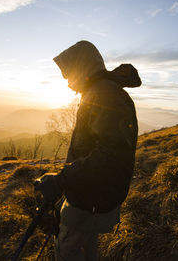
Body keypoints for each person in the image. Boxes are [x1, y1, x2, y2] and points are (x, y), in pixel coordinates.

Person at [36, 40, 141, 261]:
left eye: (68, 75)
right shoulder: (100, 92)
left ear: (82, 69)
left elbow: (110, 154)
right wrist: (65, 180)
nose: (67, 84)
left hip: (91, 199)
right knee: (87, 246)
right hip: (93, 194)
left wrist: (62, 179)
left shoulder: (103, 95)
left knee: (67, 252)